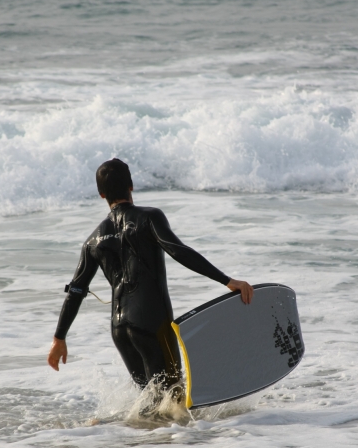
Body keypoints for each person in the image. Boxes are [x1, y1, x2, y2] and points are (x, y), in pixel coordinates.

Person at [47, 158, 253, 391]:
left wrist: (59, 339)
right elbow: (179, 251)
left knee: (151, 398)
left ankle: (123, 426)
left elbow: (76, 291)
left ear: (101, 194)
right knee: (172, 393)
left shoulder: (92, 240)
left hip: (119, 329)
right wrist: (227, 280)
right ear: (131, 185)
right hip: (151, 322)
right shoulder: (149, 217)